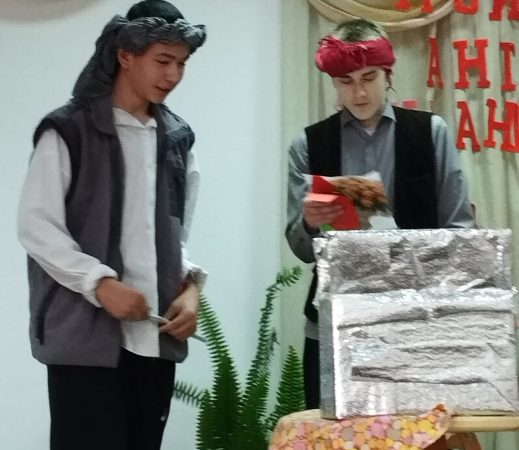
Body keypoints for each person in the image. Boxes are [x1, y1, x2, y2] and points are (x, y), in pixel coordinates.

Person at [17, 1, 207, 449]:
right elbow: (36, 226)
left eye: (182, 63)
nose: (173, 75)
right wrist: (100, 284)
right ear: (125, 55)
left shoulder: (178, 140)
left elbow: (173, 237)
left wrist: (190, 289)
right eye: (163, 60)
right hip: (83, 344)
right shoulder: (69, 131)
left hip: (153, 339)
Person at [285, 19, 474, 409]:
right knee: (334, 432)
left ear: (388, 74)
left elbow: (459, 230)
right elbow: (301, 249)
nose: (358, 92)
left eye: (368, 78)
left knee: (416, 431)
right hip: (334, 325)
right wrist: (310, 223)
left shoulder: (431, 133)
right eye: (346, 81)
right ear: (334, 83)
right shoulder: (308, 144)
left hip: (416, 323)